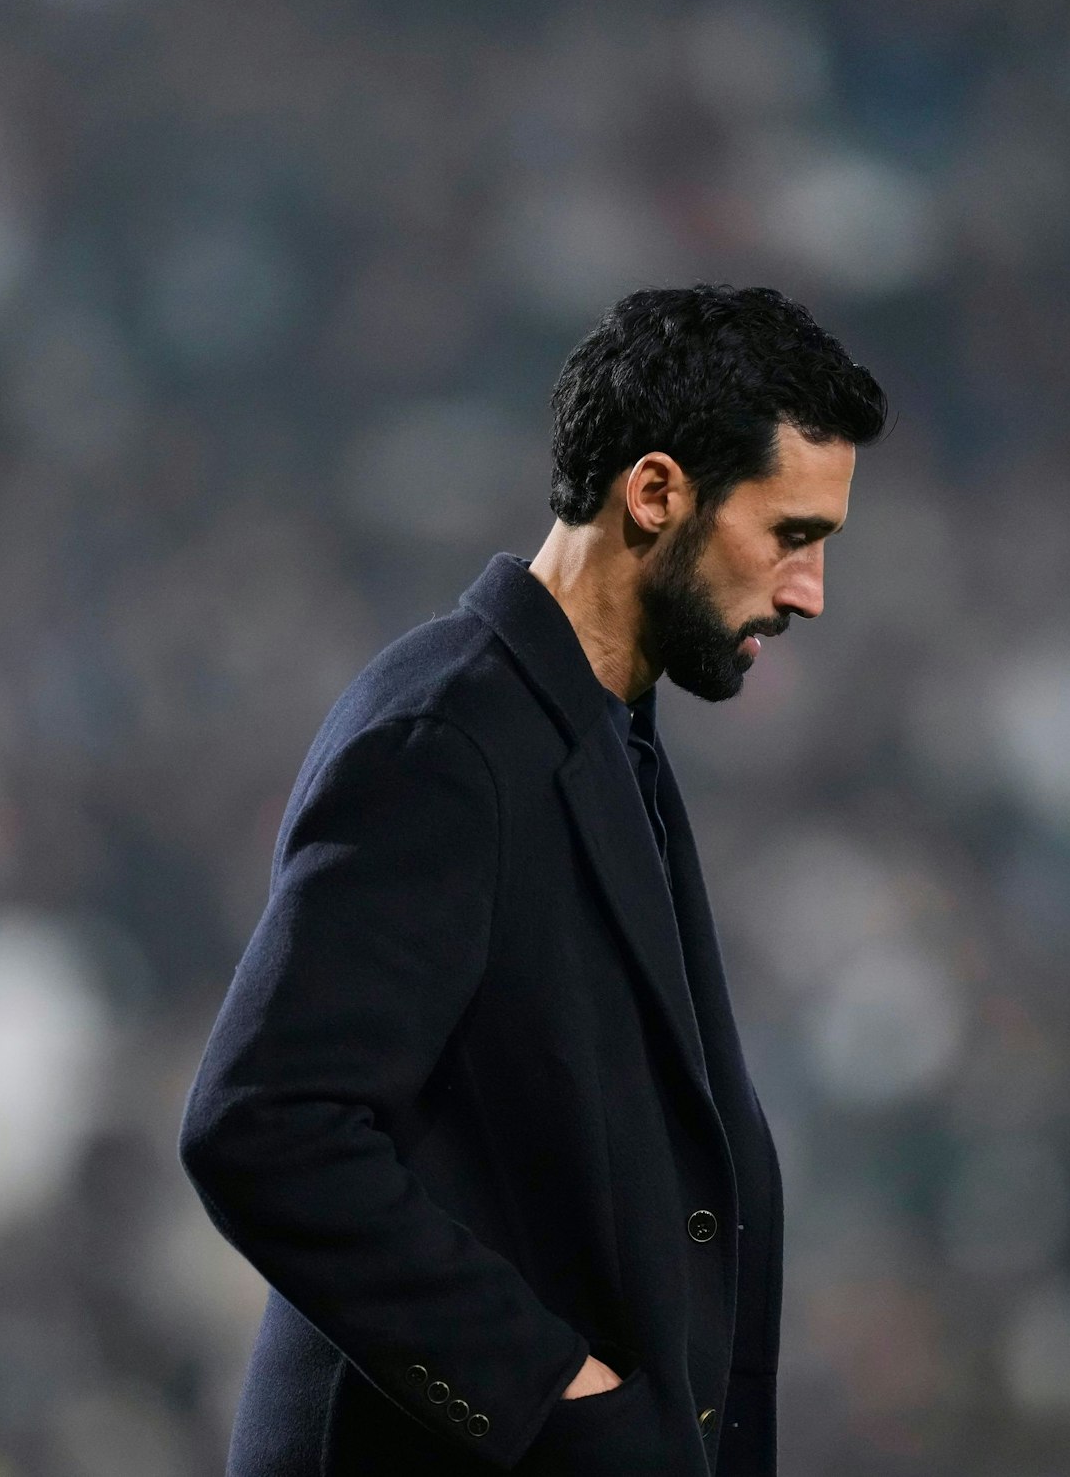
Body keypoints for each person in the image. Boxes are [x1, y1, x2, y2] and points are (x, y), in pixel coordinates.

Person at [178, 283, 887, 1476]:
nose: (808, 591)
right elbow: (266, 1125)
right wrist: (551, 1390)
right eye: (790, 536)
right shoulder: (448, 741)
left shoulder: (600, 734)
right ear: (655, 493)